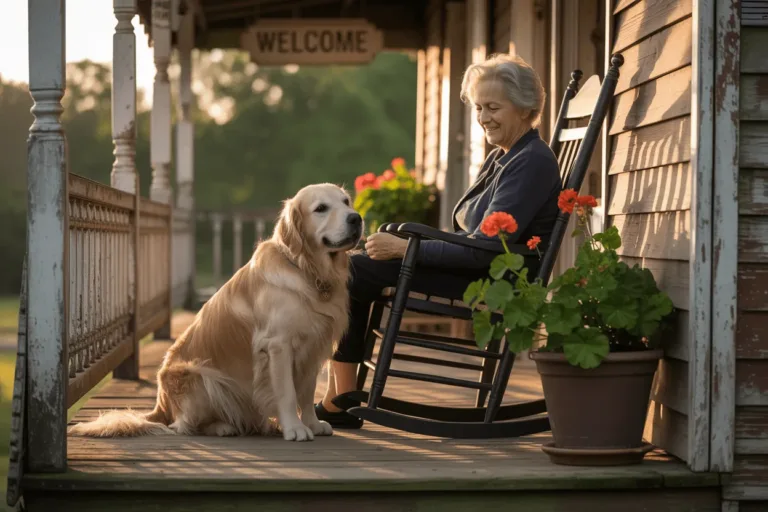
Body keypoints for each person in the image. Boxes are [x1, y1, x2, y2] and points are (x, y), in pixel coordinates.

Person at [315, 54, 561, 428]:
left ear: (526, 108)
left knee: (356, 271)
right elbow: (473, 235)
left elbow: (489, 249)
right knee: (359, 266)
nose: (483, 118)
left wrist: (406, 249)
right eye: (479, 107)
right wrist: (407, 240)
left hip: (495, 279)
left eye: (494, 107)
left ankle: (339, 399)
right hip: (478, 264)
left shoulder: (532, 162)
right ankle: (340, 395)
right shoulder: (504, 157)